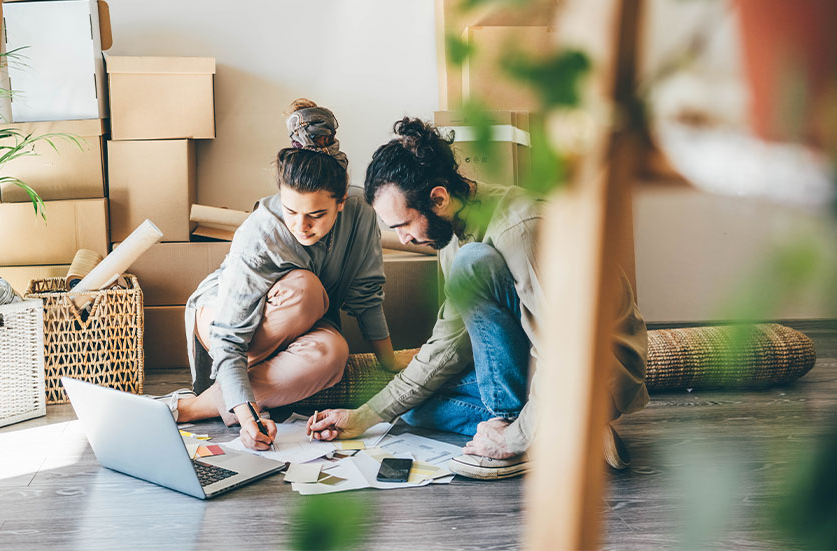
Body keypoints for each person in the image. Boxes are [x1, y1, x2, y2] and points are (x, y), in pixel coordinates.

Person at [309, 117, 649, 479]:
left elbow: (568, 351)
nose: (403, 239)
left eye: (403, 225)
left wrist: (513, 439)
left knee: (474, 263)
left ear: (437, 198)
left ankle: (520, 428)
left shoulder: (522, 228)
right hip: (538, 358)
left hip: (597, 369)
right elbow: (447, 344)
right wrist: (364, 416)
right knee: (411, 409)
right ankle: (565, 429)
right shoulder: (448, 233)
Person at [157, 99, 397, 451]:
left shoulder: (361, 214)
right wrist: (246, 416)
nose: (301, 226)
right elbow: (228, 336)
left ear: (342, 199)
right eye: (290, 211)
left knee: (334, 353)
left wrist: (391, 366)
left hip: (295, 336)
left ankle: (200, 404)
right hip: (222, 323)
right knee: (307, 290)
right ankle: (204, 401)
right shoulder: (260, 232)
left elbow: (366, 297)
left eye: (317, 214)